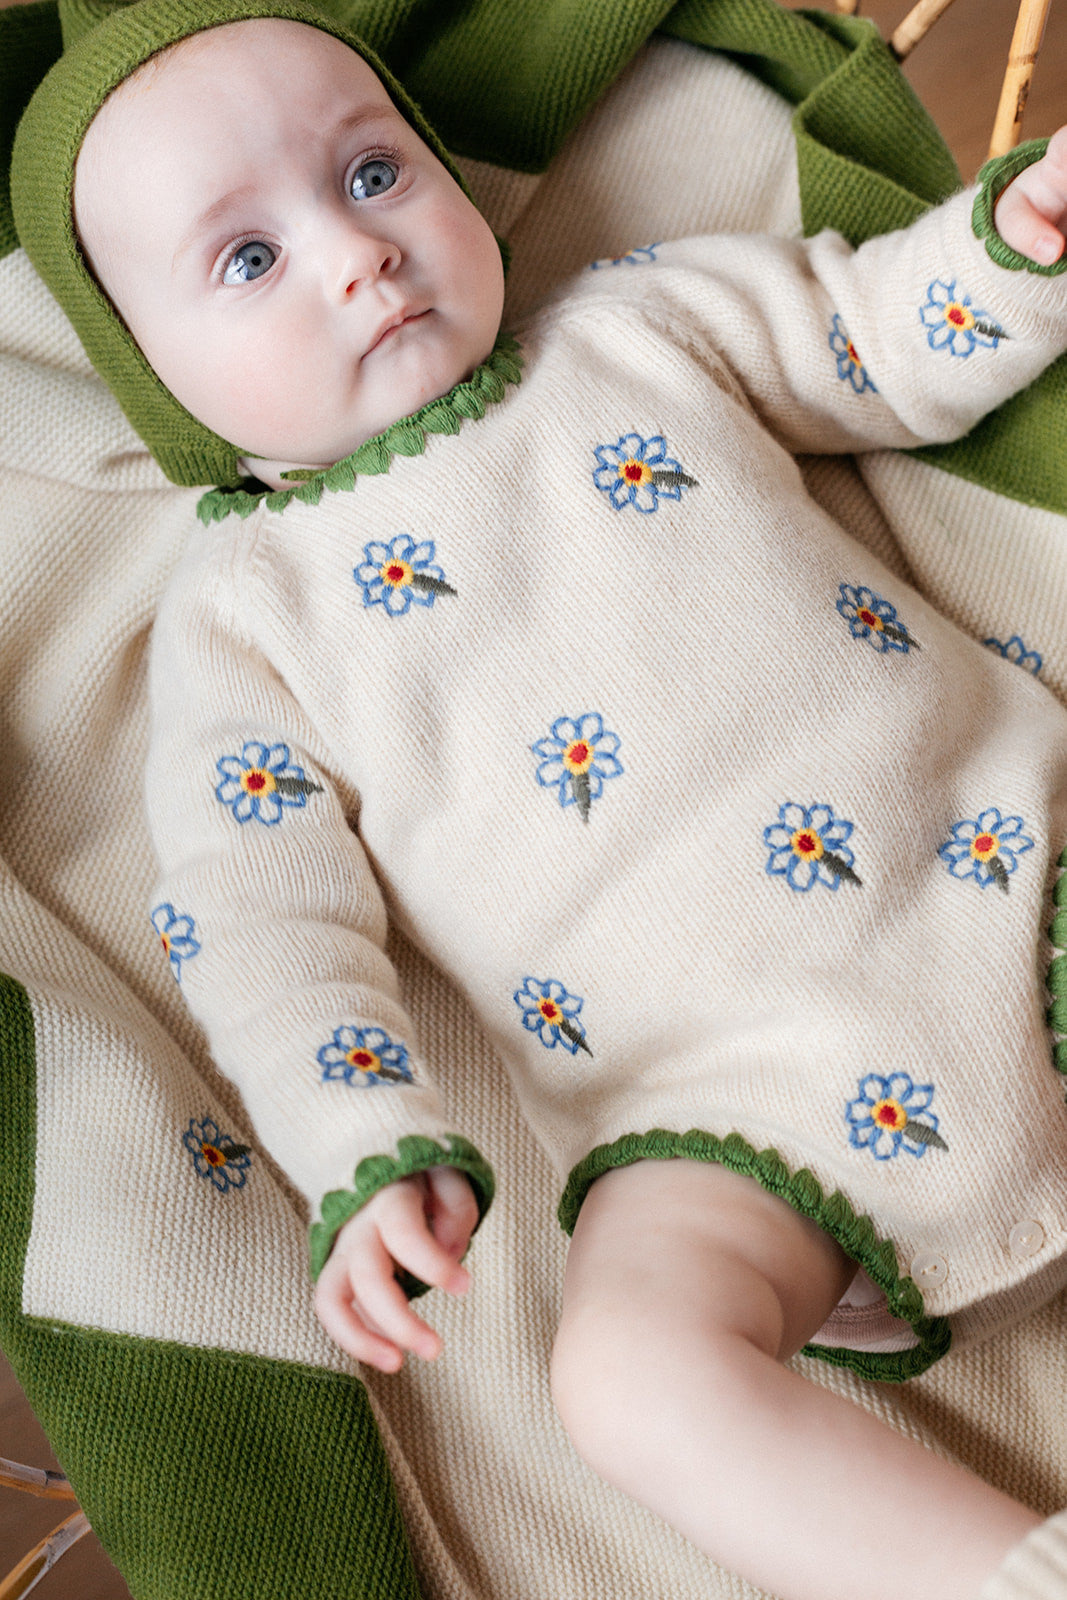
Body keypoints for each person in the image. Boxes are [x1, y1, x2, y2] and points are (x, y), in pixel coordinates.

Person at [13, 3, 1067, 1595]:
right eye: (247, 262)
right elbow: (258, 926)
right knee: (625, 1377)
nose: (355, 255)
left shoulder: (642, 323)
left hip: (1009, 866)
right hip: (721, 1111)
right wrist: (364, 1136)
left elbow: (877, 340)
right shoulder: (244, 628)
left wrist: (1009, 250)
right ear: (155, 376)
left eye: (372, 173)